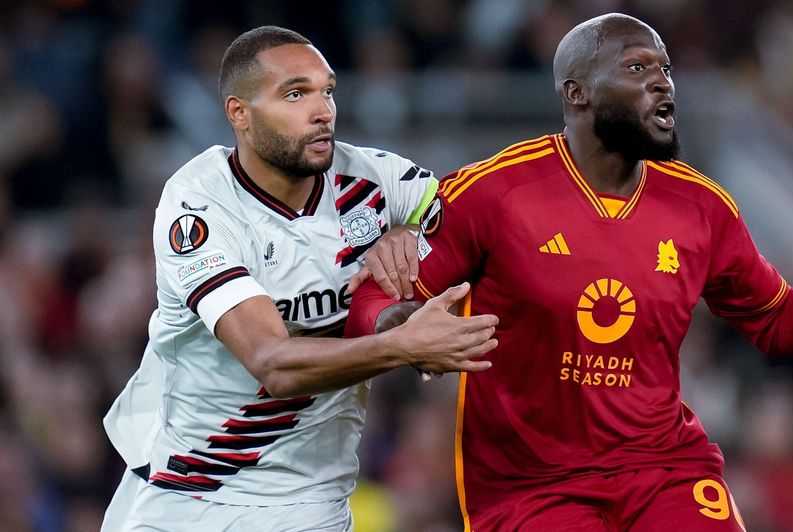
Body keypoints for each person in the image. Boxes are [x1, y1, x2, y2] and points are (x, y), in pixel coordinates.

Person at [345, 13, 793, 531]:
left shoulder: (702, 208)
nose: (663, 83)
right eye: (638, 68)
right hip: (531, 489)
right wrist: (398, 327)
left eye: (665, 69)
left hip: (665, 470)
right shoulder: (493, 193)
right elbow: (374, 293)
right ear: (577, 92)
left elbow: (776, 321)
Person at [101, 26, 498, 531]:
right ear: (238, 113)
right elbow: (273, 363)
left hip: (308, 503)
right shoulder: (199, 206)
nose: (323, 110)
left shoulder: (379, 182)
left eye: (327, 90)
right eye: (295, 93)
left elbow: (483, 227)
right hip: (185, 493)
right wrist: (403, 345)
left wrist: (412, 234)